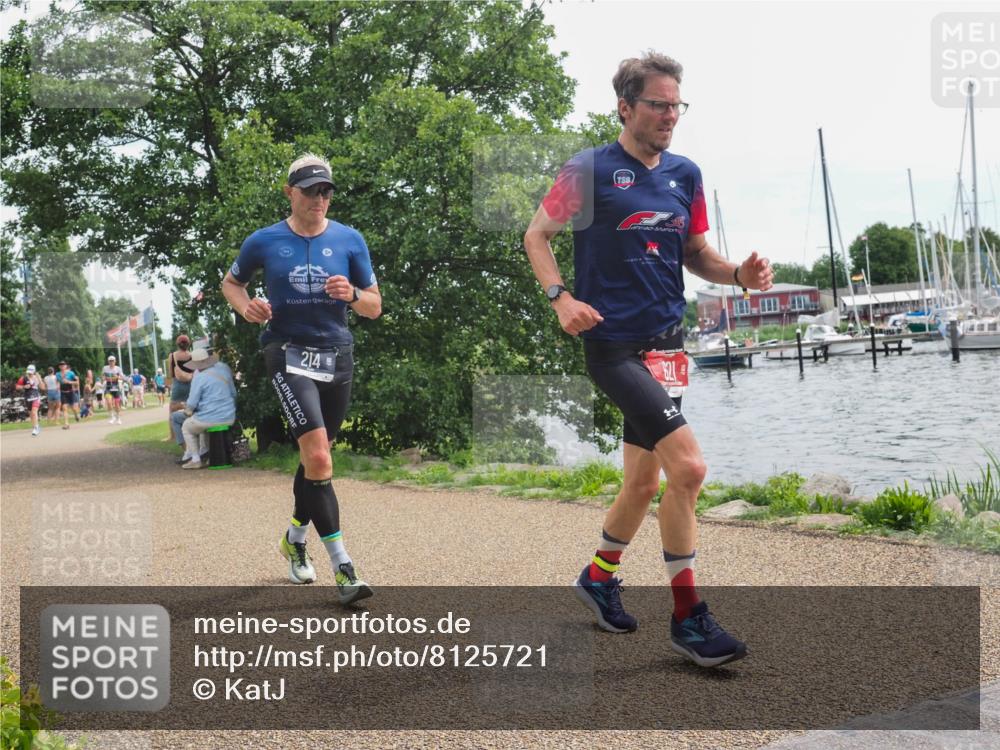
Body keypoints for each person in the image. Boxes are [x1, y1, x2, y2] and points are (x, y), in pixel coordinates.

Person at [523, 52, 773, 668]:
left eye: (676, 105)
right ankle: (689, 618)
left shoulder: (686, 174)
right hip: (613, 347)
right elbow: (536, 236)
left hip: (667, 347)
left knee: (643, 481)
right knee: (688, 469)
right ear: (625, 107)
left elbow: (697, 255)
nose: (669, 116)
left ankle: (599, 575)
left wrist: (738, 275)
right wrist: (562, 299)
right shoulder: (588, 169)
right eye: (658, 104)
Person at [222, 152, 381, 605]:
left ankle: (294, 538)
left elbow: (375, 305)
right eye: (311, 190)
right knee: (321, 459)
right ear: (290, 192)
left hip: (338, 356)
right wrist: (245, 306)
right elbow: (231, 284)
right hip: (287, 354)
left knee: (317, 461)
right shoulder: (263, 241)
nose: (320, 198)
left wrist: (351, 294)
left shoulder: (350, 240)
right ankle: (344, 569)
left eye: (326, 190)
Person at [173, 348, 237, 469]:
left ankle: (196, 459)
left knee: (187, 427)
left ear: (196, 364)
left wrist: (187, 410)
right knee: (202, 425)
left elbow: (191, 403)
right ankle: (208, 455)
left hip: (210, 418)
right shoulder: (224, 369)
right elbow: (233, 394)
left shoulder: (199, 377)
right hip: (229, 416)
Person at [167, 335, 194, 442]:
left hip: (178, 385)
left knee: (172, 410)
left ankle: (172, 436)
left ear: (177, 344)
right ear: (188, 344)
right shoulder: (191, 355)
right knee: (191, 408)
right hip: (190, 385)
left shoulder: (172, 355)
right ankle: (192, 431)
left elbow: (171, 373)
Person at [15, 364, 44, 436]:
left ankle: (36, 428)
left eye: (31, 372)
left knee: (34, 412)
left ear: (34, 371)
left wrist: (40, 379)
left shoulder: (37, 377)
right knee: (31, 414)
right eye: (29, 372)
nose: (29, 373)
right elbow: (17, 387)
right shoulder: (23, 378)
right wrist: (24, 386)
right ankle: (35, 427)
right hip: (27, 397)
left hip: (36, 396)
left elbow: (43, 388)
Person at [56, 361, 81, 429]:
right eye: (60, 365)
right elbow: (57, 382)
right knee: (64, 408)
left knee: (74, 408)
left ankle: (76, 415)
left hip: (70, 392)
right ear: (59, 367)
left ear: (66, 366)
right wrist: (57, 386)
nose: (62, 366)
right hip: (63, 392)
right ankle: (66, 424)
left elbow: (77, 382)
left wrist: (69, 382)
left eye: (63, 365)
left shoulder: (71, 373)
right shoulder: (57, 374)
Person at [102, 355, 125, 424]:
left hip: (116, 387)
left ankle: (118, 418)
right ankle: (112, 417)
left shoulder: (118, 369)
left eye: (112, 361)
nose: (111, 362)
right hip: (108, 387)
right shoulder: (105, 368)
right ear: (108, 361)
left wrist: (117, 377)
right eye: (110, 361)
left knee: (117, 404)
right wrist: (104, 378)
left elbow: (122, 377)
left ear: (115, 361)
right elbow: (103, 376)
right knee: (108, 402)